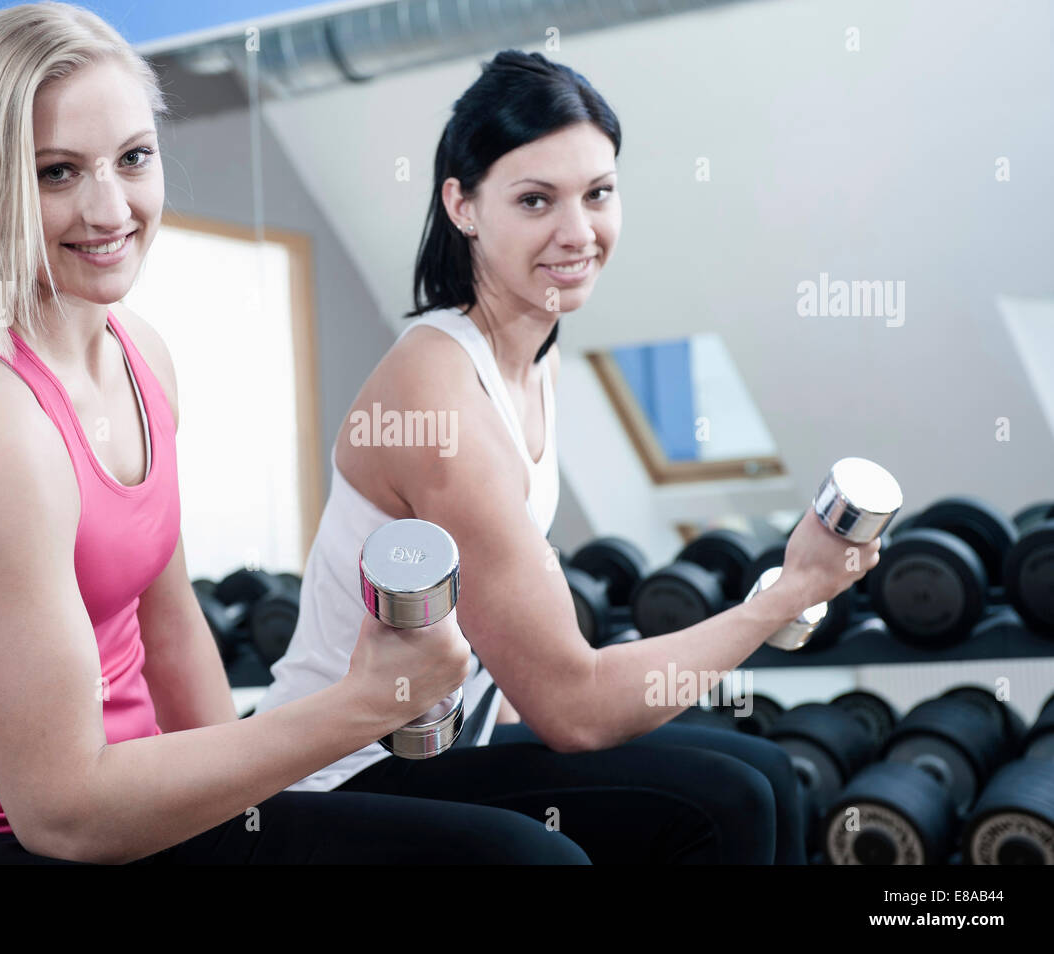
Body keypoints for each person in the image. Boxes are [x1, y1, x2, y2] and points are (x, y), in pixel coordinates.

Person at [0, 1, 589, 866]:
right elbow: (63, 813)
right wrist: (362, 705)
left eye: (133, 158)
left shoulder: (141, 356)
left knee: (526, 856)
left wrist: (266, 819)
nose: (110, 207)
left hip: (132, 798)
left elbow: (168, 623)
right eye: (57, 173)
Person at [255, 49, 881, 863]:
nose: (578, 232)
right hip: (341, 769)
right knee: (719, 802)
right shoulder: (434, 392)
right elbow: (574, 708)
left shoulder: (537, 352)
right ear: (463, 206)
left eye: (599, 193)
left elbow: (518, 650)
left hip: (456, 742)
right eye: (535, 199)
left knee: (763, 770)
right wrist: (787, 595)